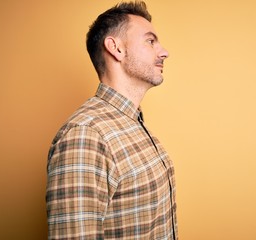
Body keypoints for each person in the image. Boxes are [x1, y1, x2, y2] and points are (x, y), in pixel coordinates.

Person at [46, 1, 178, 239]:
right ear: (116, 48)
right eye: (150, 41)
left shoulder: (133, 124)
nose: (164, 51)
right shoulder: (85, 135)